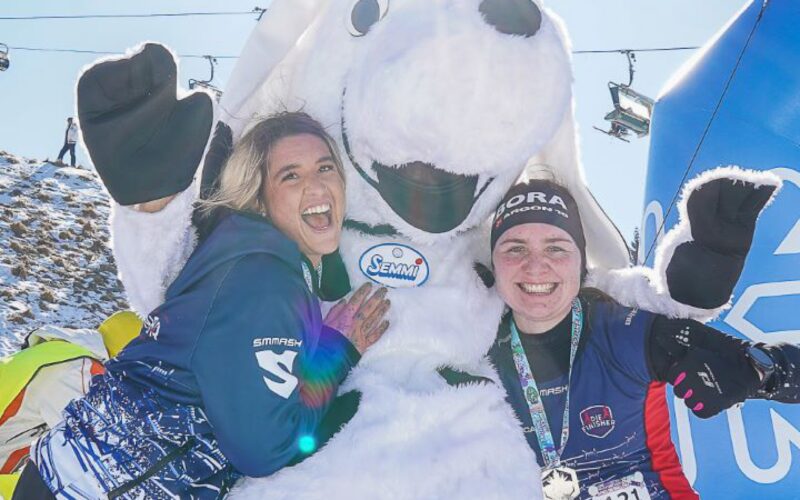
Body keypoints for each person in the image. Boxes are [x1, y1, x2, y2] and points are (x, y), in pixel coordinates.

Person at [13, 112, 390, 499]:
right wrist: (336, 354)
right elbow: (263, 448)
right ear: (260, 200)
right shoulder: (266, 280)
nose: (316, 187)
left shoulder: (244, 256)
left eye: (325, 168)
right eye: (290, 175)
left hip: (63, 476)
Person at [487, 178, 800, 500]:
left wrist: (759, 373)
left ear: (581, 262)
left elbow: (791, 372)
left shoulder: (623, 331)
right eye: (515, 248)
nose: (536, 266)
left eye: (556, 247)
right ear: (492, 261)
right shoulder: (468, 351)